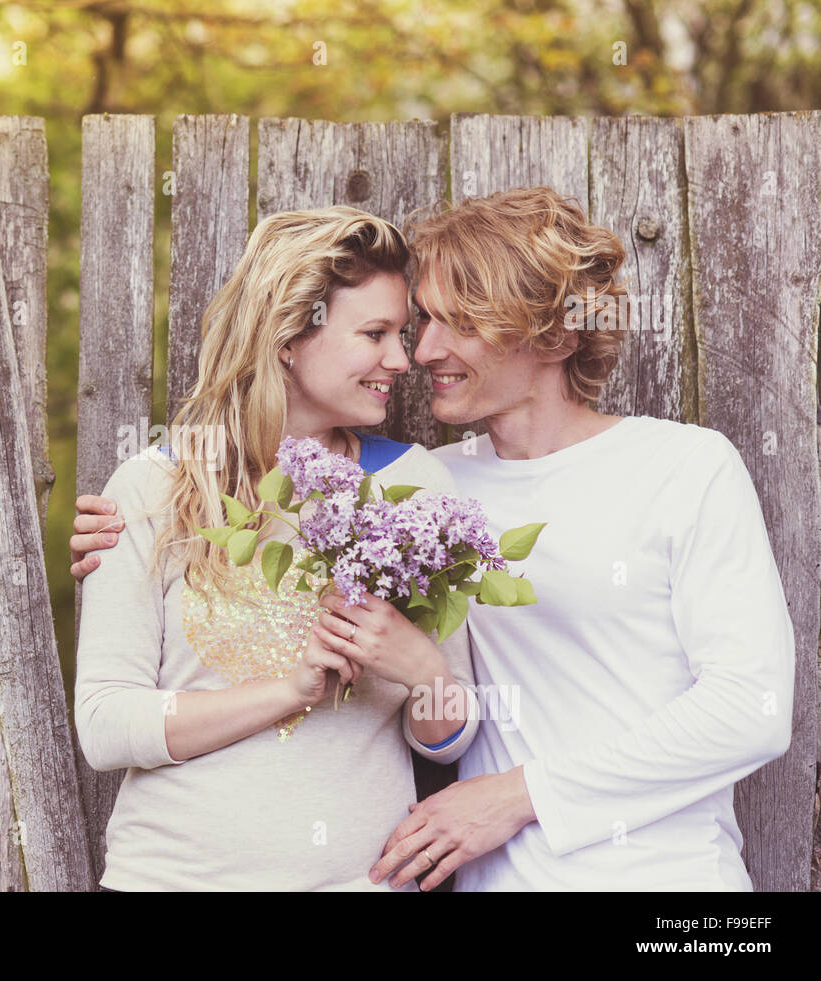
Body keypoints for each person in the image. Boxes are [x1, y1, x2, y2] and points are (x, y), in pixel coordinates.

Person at [72, 187, 796, 892]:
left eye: (461, 322)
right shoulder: (421, 491)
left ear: (557, 333)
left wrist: (510, 786)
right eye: (415, 323)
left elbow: (749, 710)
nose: (420, 353)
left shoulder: (678, 468)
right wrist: (125, 527)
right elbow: (113, 704)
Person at [73, 206, 481, 891]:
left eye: (402, 334)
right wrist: (289, 690)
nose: (401, 359)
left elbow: (448, 736)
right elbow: (107, 723)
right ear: (289, 336)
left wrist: (425, 670)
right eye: (375, 333)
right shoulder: (157, 487)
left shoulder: (415, 486)